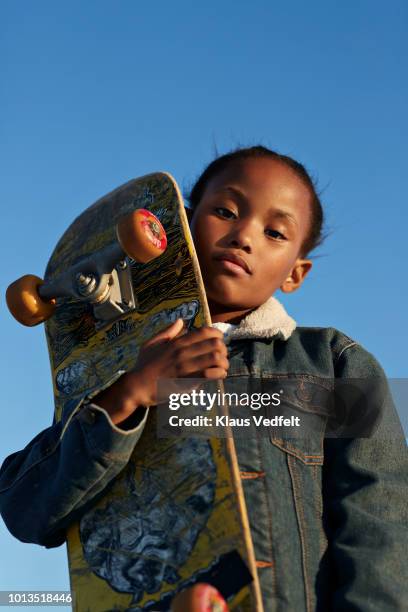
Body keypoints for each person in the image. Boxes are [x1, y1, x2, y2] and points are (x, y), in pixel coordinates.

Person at [1, 146, 407, 611]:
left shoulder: (334, 363)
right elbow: (23, 509)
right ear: (182, 224)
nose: (243, 236)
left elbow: (381, 522)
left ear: (296, 272)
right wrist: (131, 392)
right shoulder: (118, 365)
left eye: (275, 232)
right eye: (225, 211)